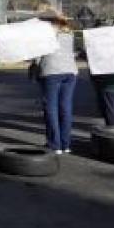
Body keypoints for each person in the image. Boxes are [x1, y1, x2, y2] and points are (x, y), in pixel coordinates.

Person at [35, 9, 78, 154]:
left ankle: (54, 143)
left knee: (51, 108)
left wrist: (34, 67)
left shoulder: (45, 34)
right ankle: (66, 144)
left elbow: (38, 55)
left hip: (51, 71)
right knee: (66, 107)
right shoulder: (69, 33)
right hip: (70, 71)